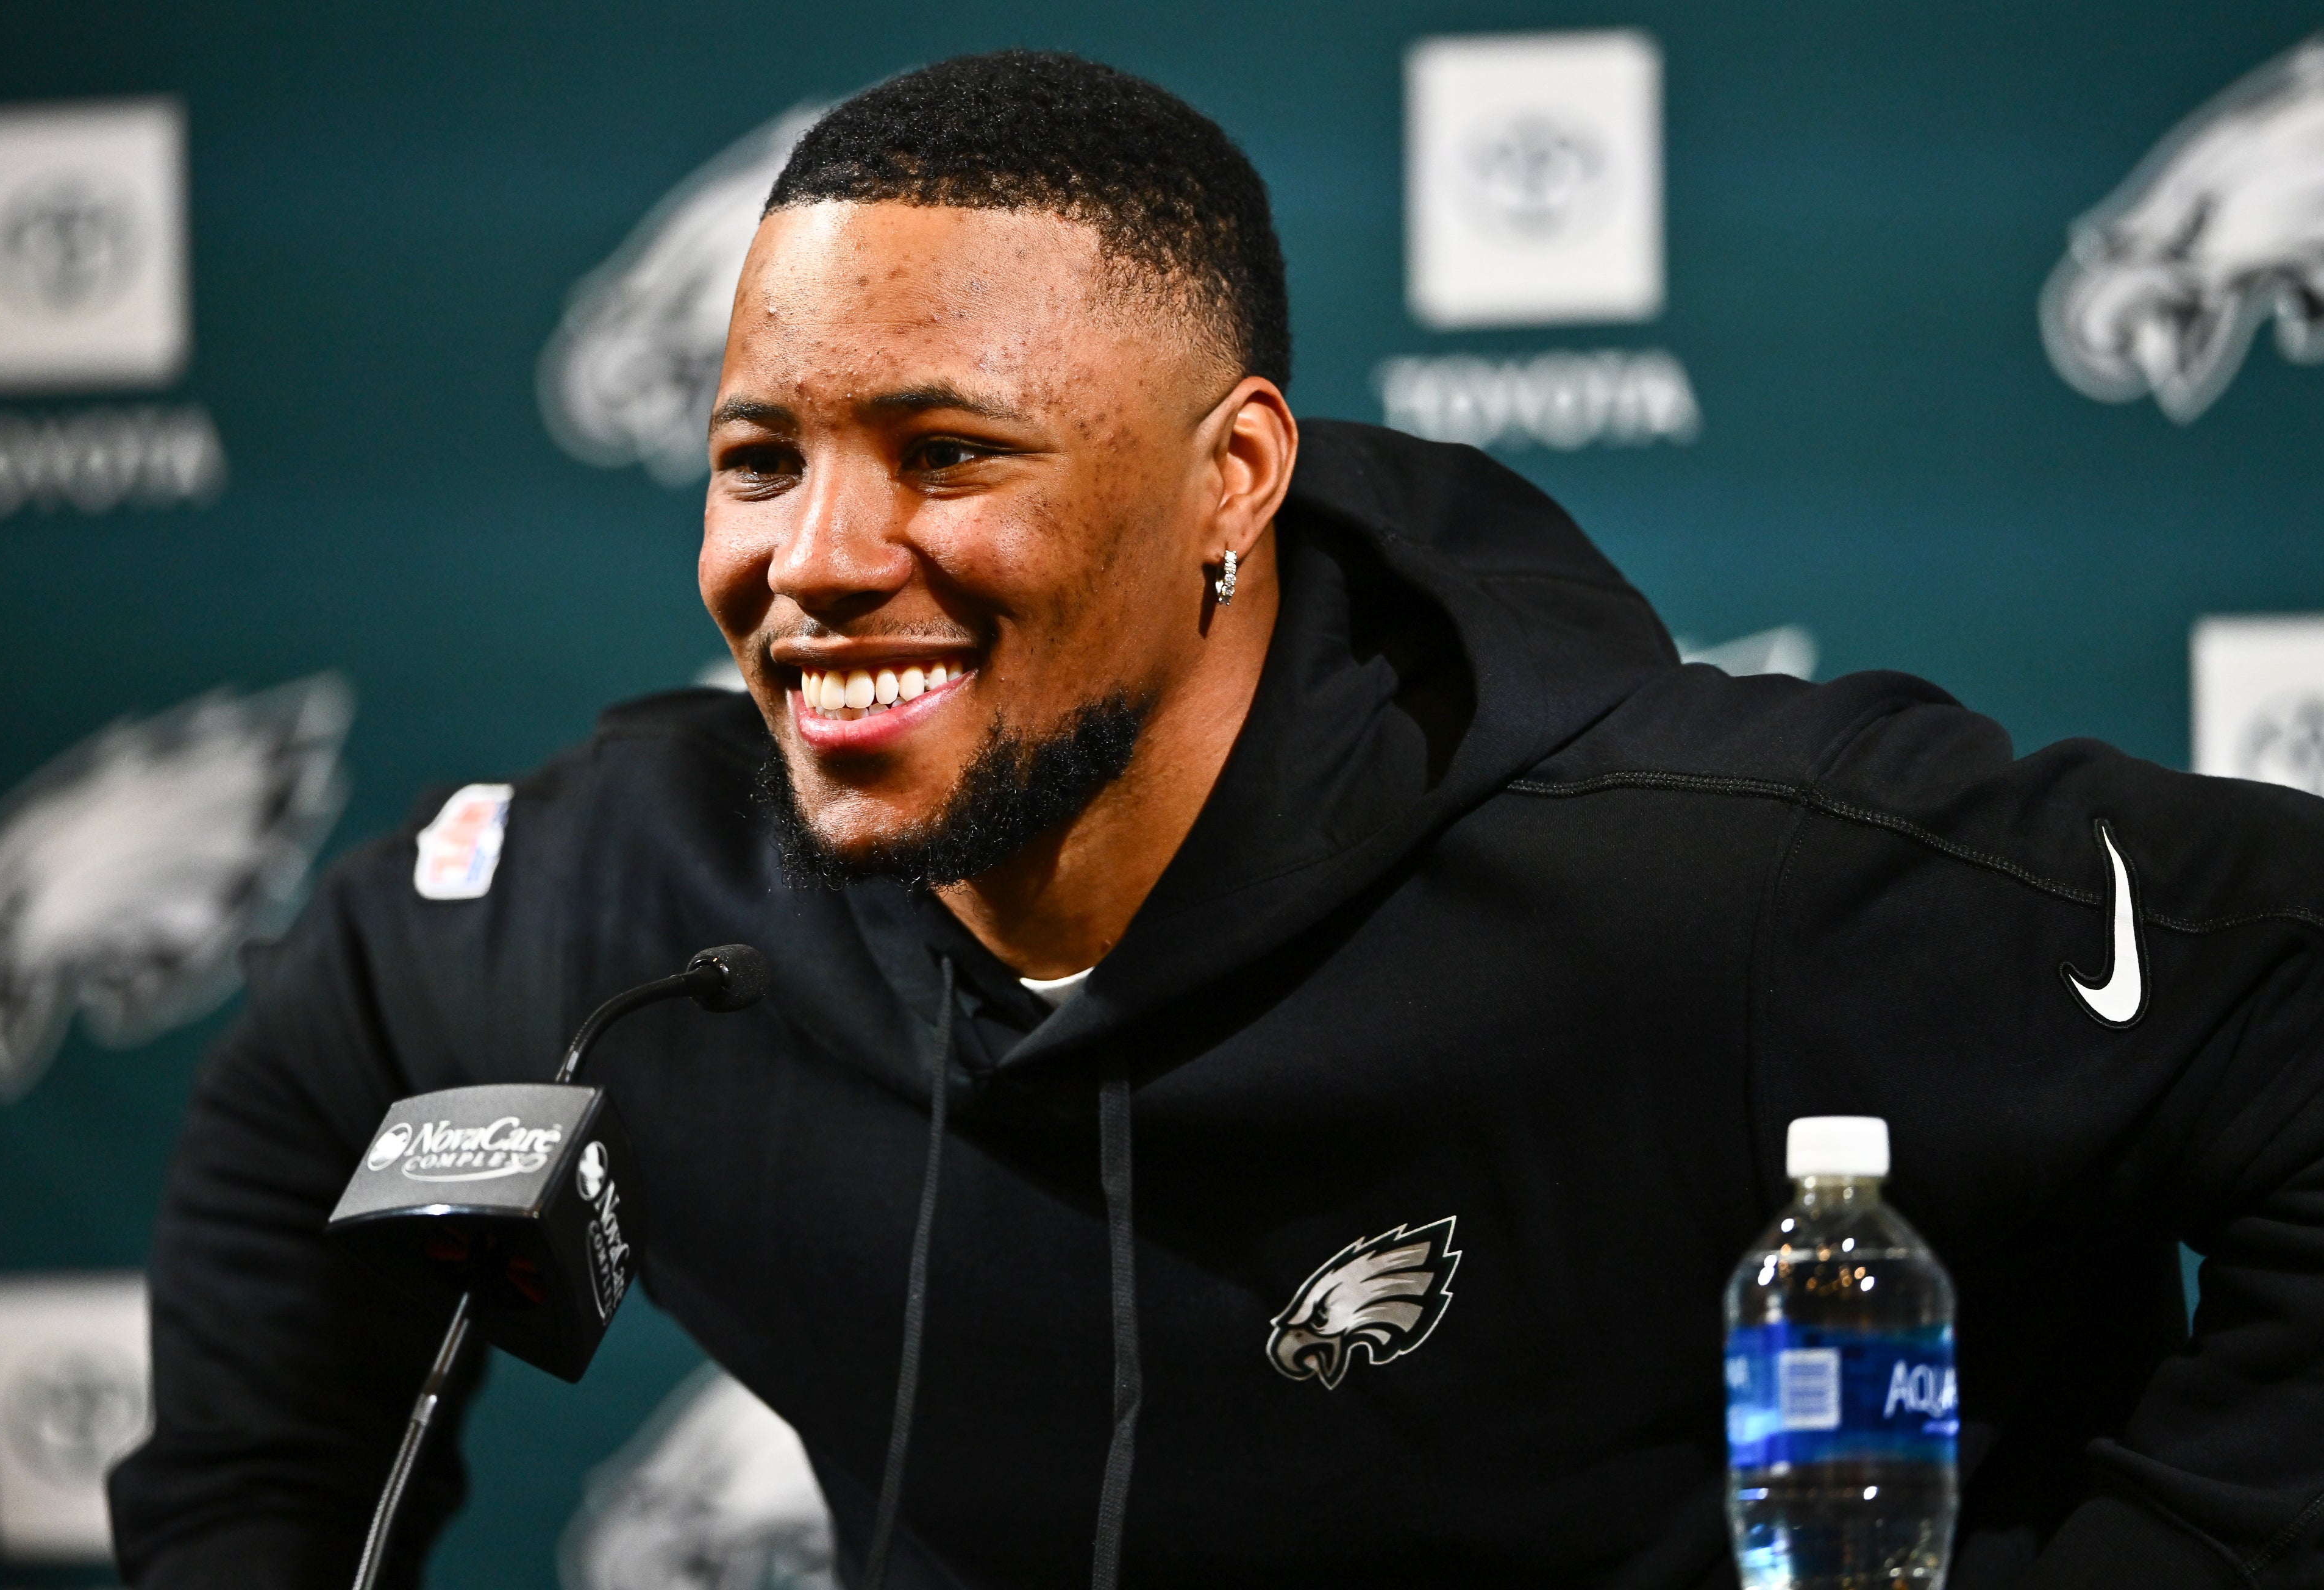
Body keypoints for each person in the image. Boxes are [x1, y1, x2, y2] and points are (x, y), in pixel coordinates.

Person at [111, 50, 2324, 1590]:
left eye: (948, 451)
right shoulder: (642, 901)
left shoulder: (1697, 867)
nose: (813, 555)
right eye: (762, 454)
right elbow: (328, 1050)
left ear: (1230, 483)